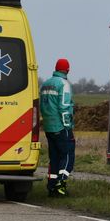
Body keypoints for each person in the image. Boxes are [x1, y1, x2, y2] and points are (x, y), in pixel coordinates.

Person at [40, 58, 75, 196]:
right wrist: (68, 126)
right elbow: (64, 106)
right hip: (61, 126)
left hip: (48, 127)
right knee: (67, 156)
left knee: (54, 157)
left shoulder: (46, 84)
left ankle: (51, 185)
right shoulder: (63, 84)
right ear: (67, 70)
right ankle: (61, 184)